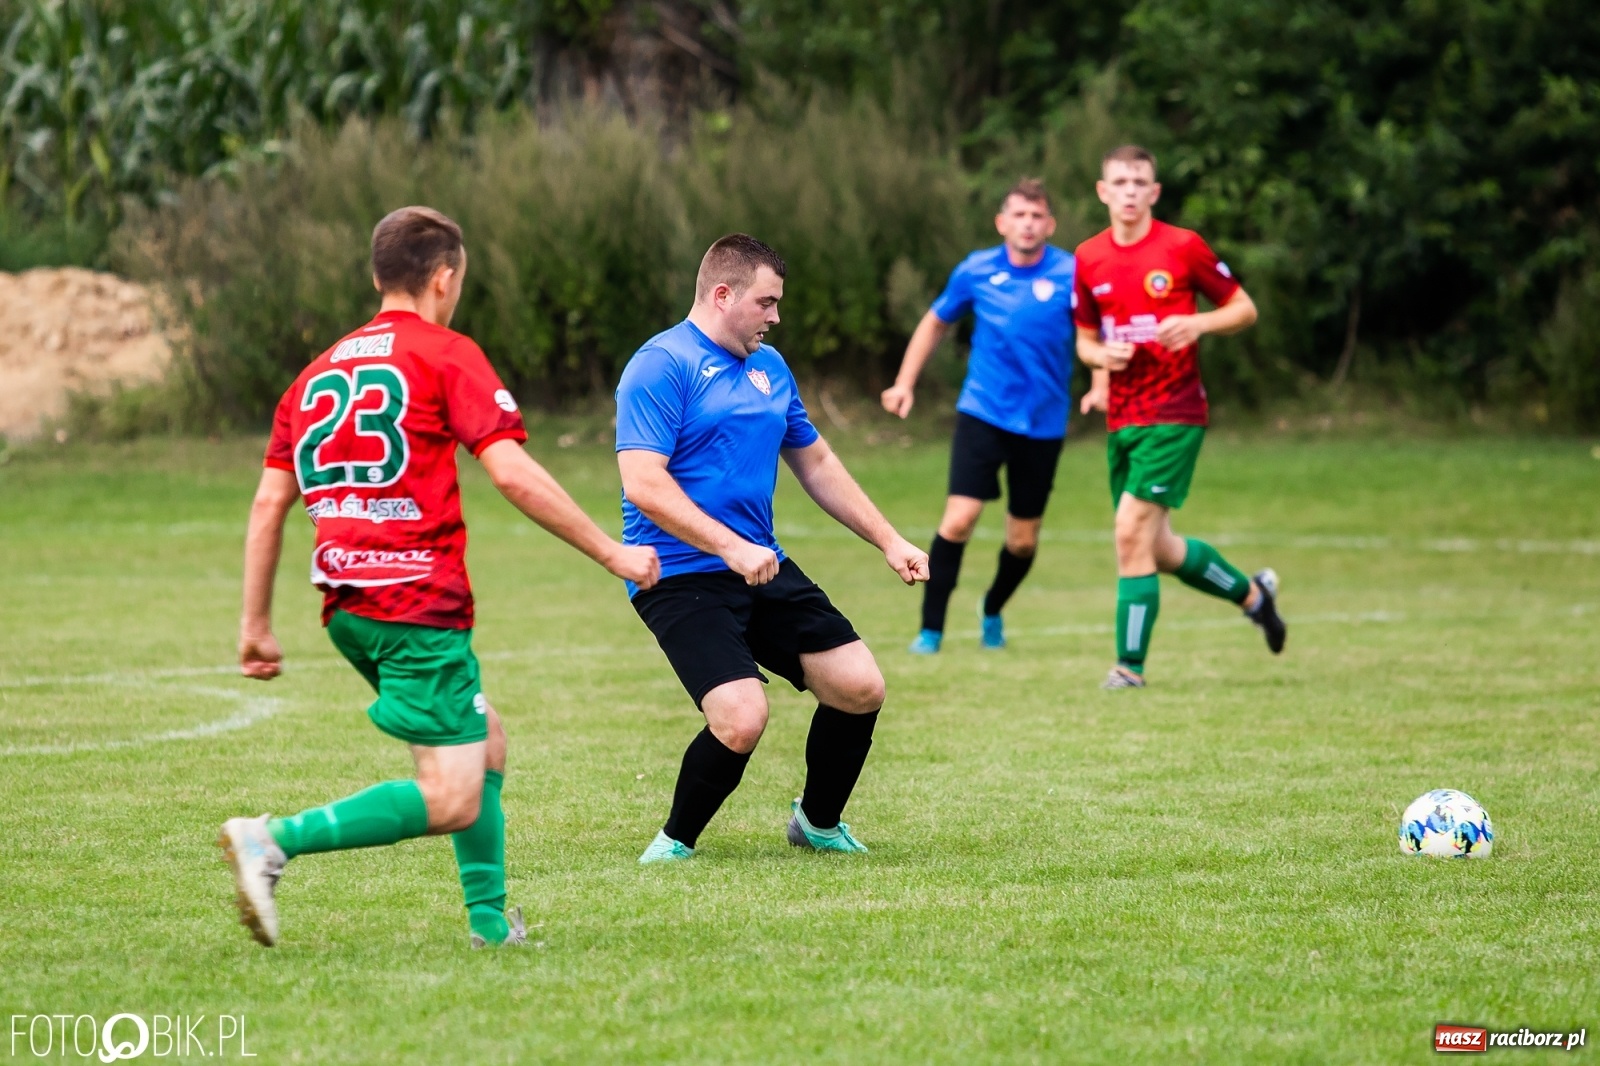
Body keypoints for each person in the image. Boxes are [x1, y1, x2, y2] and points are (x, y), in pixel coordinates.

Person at [220, 206, 660, 947]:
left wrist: (254, 624)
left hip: (348, 607)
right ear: (444, 277)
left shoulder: (317, 372)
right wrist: (613, 553)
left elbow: (269, 505)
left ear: (376, 275)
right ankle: (273, 840)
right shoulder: (447, 352)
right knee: (452, 796)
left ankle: (490, 926)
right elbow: (513, 474)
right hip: (415, 605)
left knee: (484, 740)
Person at [616, 233, 929, 863]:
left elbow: (815, 462)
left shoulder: (770, 367)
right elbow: (644, 484)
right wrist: (730, 547)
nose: (776, 316)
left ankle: (817, 823)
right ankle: (675, 841)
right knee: (741, 716)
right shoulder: (661, 364)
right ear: (723, 294)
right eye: (767, 302)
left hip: (759, 565)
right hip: (676, 572)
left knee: (860, 686)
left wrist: (888, 539)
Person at [1072, 146, 1286, 689]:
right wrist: (1102, 360)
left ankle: (1130, 667)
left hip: (1175, 412)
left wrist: (1198, 325)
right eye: (1117, 181)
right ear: (1103, 191)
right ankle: (1254, 596)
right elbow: (1086, 341)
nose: (1127, 190)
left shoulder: (1182, 246)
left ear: (1153, 192)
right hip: (1123, 417)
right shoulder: (1088, 257)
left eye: (1138, 181)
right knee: (1158, 547)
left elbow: (1244, 308)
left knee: (1128, 534)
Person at [881, 178, 1077, 654]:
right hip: (984, 413)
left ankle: (992, 608)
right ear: (1002, 222)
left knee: (1023, 542)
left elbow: (1095, 333)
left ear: (1049, 224)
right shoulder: (976, 270)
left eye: (1037, 216)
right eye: (1019, 215)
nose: (1027, 224)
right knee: (959, 520)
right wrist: (904, 382)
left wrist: (1108, 385)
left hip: (1044, 424)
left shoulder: (1073, 273)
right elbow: (935, 321)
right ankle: (931, 629)